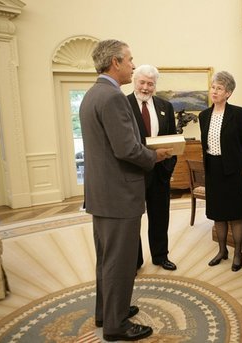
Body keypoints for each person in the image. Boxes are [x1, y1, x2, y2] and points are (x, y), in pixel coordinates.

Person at [79, 39, 172, 342]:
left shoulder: (92, 94)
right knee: (120, 261)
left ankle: (106, 312)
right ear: (115, 62)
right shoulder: (114, 97)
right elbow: (127, 149)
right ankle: (116, 325)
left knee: (107, 258)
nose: (133, 65)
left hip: (101, 193)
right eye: (130, 60)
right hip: (119, 194)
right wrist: (154, 156)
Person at [199, 71, 242, 272]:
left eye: (219, 88)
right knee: (217, 214)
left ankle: (238, 252)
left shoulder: (239, 114)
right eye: (213, 87)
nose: (214, 91)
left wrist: (239, 163)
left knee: (235, 214)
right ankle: (222, 250)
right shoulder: (204, 116)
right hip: (212, 170)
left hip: (232, 171)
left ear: (228, 93)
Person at [127, 65, 178, 271]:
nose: (146, 87)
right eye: (143, 82)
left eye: (151, 83)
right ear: (135, 81)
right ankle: (135, 260)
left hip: (160, 174)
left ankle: (160, 256)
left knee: (160, 217)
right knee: (133, 220)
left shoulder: (165, 105)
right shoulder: (123, 104)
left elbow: (173, 139)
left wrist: (169, 167)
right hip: (134, 173)